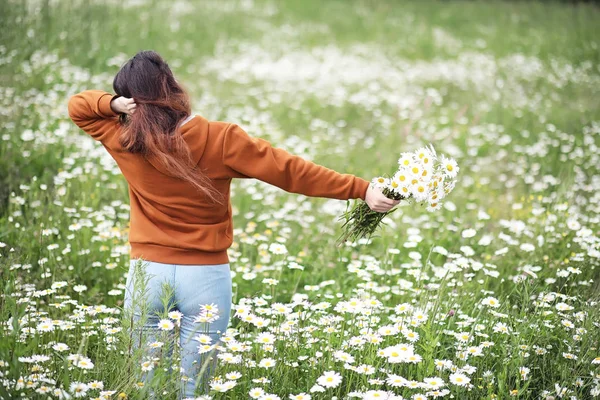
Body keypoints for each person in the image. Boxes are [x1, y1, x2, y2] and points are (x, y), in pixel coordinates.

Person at [67, 50, 400, 399]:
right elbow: (290, 171)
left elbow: (79, 105)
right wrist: (361, 189)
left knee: (145, 388)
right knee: (192, 389)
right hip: (206, 279)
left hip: (147, 276)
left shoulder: (123, 140)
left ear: (131, 102)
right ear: (172, 87)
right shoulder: (221, 138)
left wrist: (113, 105)